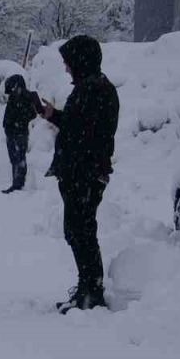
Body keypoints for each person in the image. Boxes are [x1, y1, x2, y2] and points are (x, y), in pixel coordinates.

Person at [40, 35, 119, 314]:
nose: (66, 68)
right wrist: (51, 115)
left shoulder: (93, 90)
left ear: (81, 61)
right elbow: (77, 125)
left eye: (68, 62)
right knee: (78, 231)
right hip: (82, 172)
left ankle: (91, 292)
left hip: (84, 173)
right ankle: (87, 288)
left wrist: (74, 162)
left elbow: (82, 133)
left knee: (81, 232)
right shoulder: (93, 87)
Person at [1, 74, 40, 194]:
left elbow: (33, 113)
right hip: (13, 131)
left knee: (19, 157)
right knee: (15, 158)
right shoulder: (15, 96)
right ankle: (17, 182)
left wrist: (19, 120)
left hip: (19, 131)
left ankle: (18, 183)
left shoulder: (26, 96)